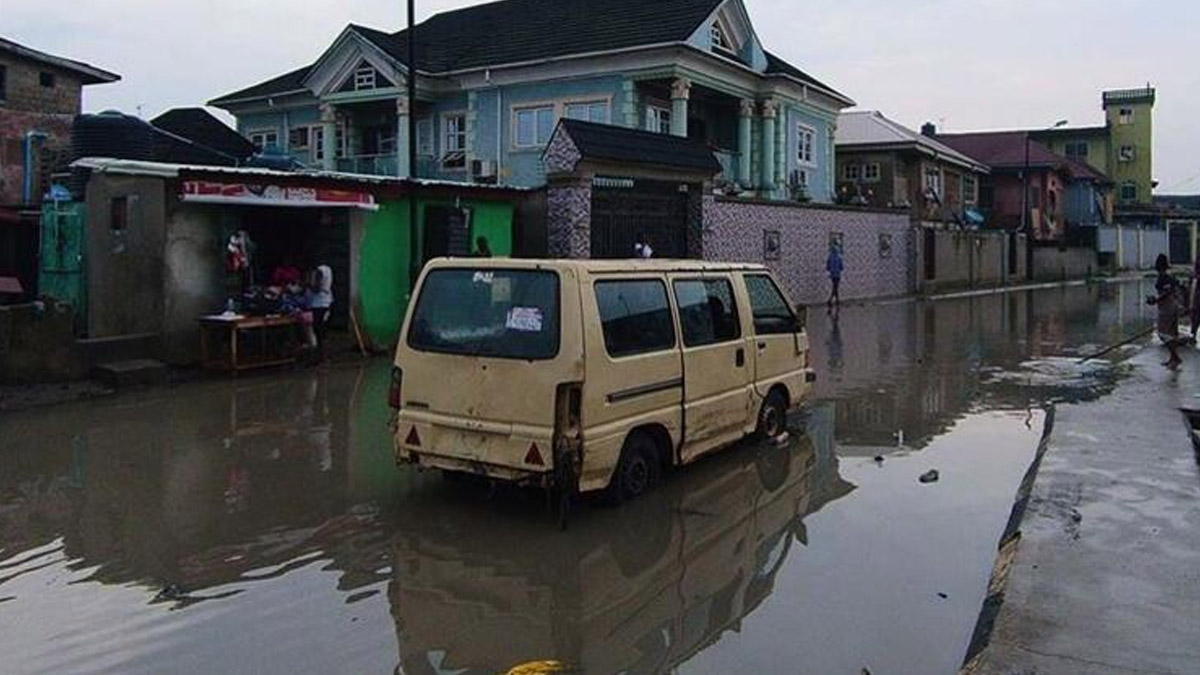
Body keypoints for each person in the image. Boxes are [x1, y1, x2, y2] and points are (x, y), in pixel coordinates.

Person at [1147, 253, 1184, 370]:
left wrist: (1155, 300)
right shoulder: (1170, 277)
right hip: (1174, 307)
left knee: (1163, 334)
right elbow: (1176, 288)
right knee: (1172, 333)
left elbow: (1165, 293)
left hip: (1167, 308)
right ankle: (1173, 359)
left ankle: (1176, 357)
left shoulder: (1163, 278)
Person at [305, 264, 334, 362]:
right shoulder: (327, 269)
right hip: (324, 303)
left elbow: (316, 288)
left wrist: (307, 284)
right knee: (322, 331)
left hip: (319, 304)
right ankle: (323, 357)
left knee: (319, 331)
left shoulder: (320, 271)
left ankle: (322, 357)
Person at [826, 243, 844, 308]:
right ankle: (831, 300)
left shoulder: (830, 256)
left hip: (832, 275)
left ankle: (837, 300)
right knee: (835, 287)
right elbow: (841, 267)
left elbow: (827, 267)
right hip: (837, 275)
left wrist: (830, 270)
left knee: (835, 287)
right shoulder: (839, 257)